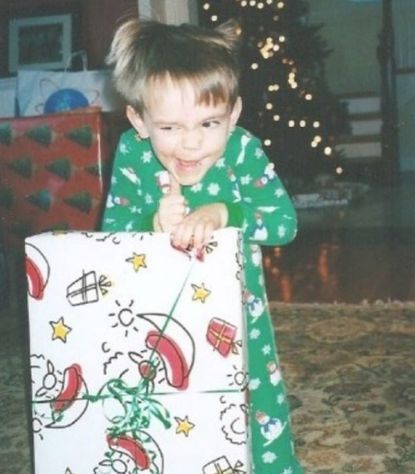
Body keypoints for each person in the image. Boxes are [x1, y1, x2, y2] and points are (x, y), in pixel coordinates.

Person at [102, 18, 303, 473]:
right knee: (169, 413)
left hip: (240, 318)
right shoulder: (132, 153)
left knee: (258, 404)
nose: (191, 143)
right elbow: (109, 235)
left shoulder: (242, 150)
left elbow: (283, 223)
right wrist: (150, 222)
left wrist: (225, 213)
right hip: (156, 319)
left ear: (232, 114)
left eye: (209, 122)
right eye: (170, 128)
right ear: (138, 119)